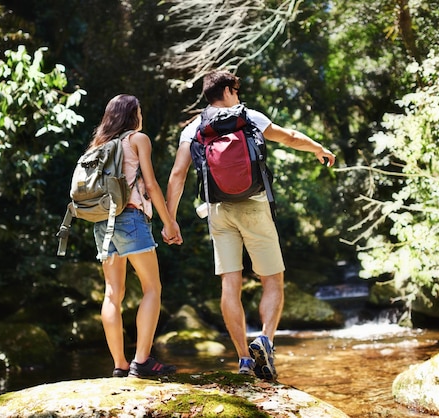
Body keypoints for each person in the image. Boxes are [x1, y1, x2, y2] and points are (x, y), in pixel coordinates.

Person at [161, 70, 336, 381]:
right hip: (254, 206)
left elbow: (177, 175)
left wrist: (170, 220)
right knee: (273, 281)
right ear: (228, 90)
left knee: (231, 283)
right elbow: (289, 137)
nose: (238, 95)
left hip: (218, 210)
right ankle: (265, 340)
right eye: (236, 90)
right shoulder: (249, 116)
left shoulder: (193, 129)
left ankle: (243, 358)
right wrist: (318, 149)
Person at [90, 94, 181, 378]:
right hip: (130, 217)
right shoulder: (137, 139)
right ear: (133, 115)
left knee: (112, 293)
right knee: (152, 287)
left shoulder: (98, 145)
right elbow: (151, 185)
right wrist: (169, 223)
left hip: (102, 223)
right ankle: (142, 361)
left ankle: (119, 364)